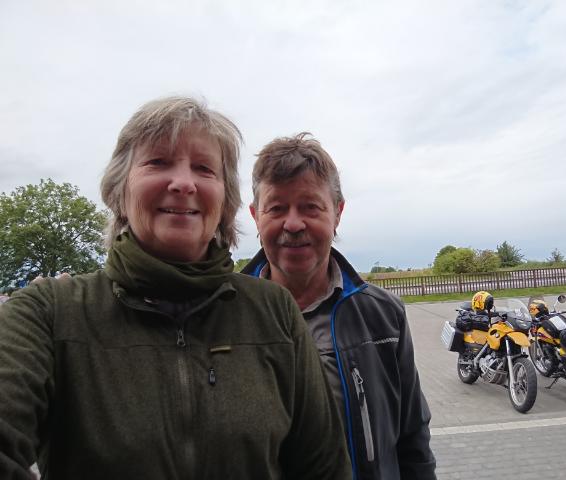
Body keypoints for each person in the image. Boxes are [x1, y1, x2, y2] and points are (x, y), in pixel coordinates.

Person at [0, 98, 351, 480]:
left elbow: (324, 468)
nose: (184, 183)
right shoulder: (47, 313)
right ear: (119, 189)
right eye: (158, 162)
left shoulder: (274, 311)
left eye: (204, 168)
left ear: (225, 200)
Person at [242, 133, 437, 480]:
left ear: (337, 213)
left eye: (310, 207)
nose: (293, 224)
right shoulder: (225, 315)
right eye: (277, 208)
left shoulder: (383, 315)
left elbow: (412, 436)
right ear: (256, 216)